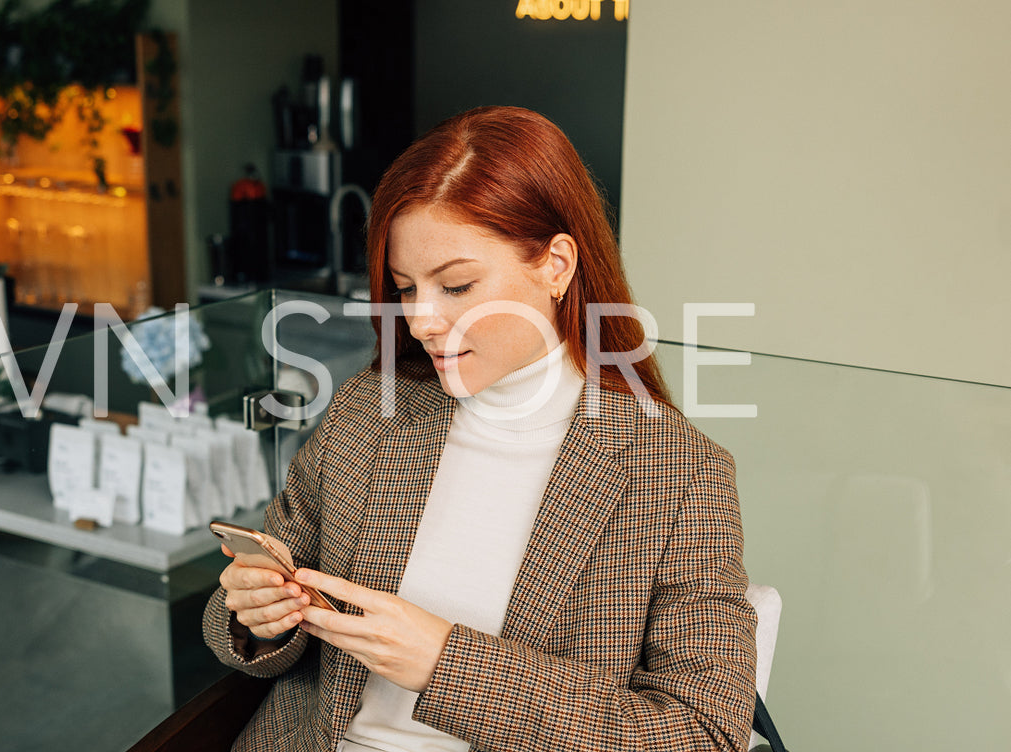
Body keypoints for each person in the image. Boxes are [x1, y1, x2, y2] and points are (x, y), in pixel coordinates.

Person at [203, 106, 757, 752]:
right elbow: (240, 618)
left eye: (457, 286)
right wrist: (257, 617)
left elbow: (703, 733)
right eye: (406, 289)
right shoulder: (368, 411)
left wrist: (446, 665)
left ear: (555, 265)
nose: (421, 322)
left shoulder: (677, 475)